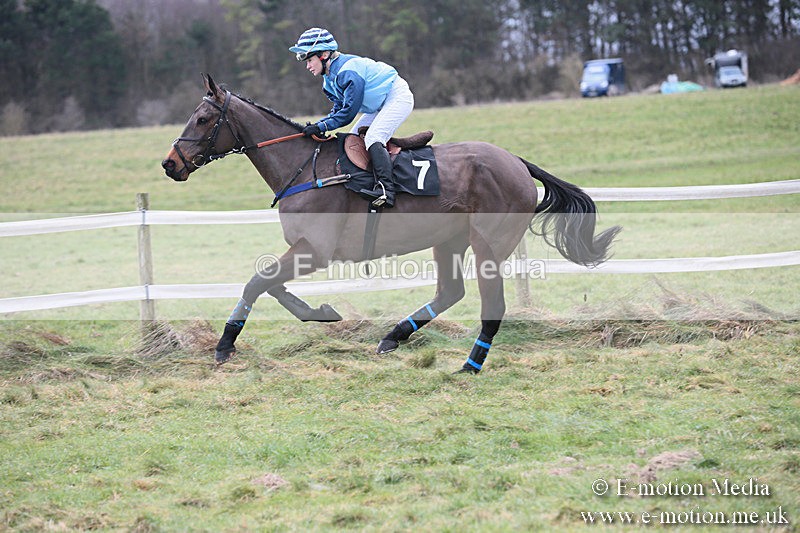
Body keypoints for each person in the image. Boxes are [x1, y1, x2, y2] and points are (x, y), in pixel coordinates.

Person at [290, 27, 414, 208]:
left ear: (324, 55)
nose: (308, 66)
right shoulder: (329, 81)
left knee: (373, 137)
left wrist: (322, 127)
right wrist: (319, 125)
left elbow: (348, 113)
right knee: (353, 139)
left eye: (310, 60)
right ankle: (366, 183)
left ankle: (386, 190)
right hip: (378, 105)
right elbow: (339, 109)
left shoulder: (347, 72)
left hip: (396, 97)